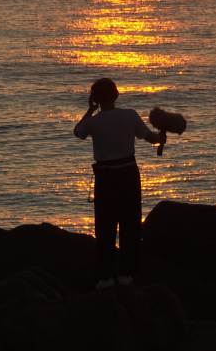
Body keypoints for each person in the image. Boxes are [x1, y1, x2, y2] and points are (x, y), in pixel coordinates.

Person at [74, 78, 165, 289]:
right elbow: (150, 138)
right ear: (116, 95)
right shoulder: (129, 115)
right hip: (128, 174)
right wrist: (160, 138)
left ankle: (105, 277)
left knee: (104, 226)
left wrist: (89, 110)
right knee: (130, 224)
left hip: (105, 177)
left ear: (95, 99)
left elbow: (78, 132)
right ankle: (127, 274)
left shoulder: (93, 121)